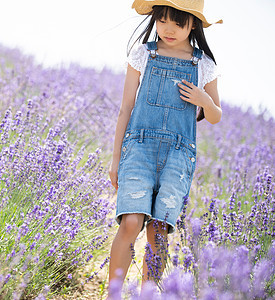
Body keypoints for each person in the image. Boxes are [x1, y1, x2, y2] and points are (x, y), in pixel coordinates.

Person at [107, 0, 222, 289]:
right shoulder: (143, 54)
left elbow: (216, 115)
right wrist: (115, 159)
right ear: (155, 19)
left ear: (192, 25)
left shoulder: (204, 65)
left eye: (178, 23)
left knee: (158, 231)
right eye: (163, 20)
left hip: (179, 158)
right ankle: (113, 295)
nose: (168, 29)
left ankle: (146, 295)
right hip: (139, 148)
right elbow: (125, 108)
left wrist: (204, 101)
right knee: (131, 222)